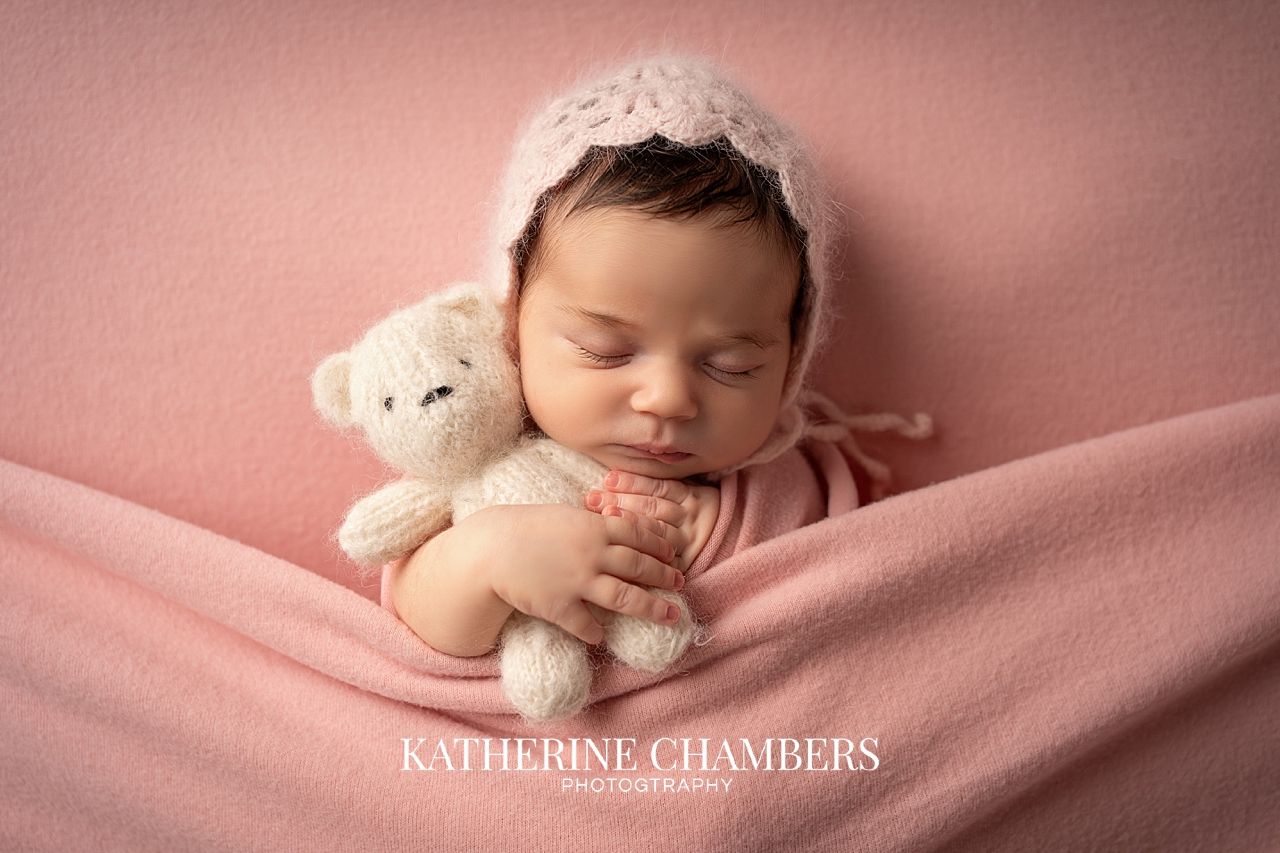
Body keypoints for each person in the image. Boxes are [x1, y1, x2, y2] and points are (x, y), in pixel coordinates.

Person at [383, 56, 926, 658]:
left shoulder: (781, 477)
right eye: (605, 351)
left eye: (731, 366)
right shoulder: (481, 463)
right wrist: (488, 556)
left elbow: (836, 571)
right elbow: (414, 619)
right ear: (514, 328)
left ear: (792, 358)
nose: (668, 398)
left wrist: (721, 528)